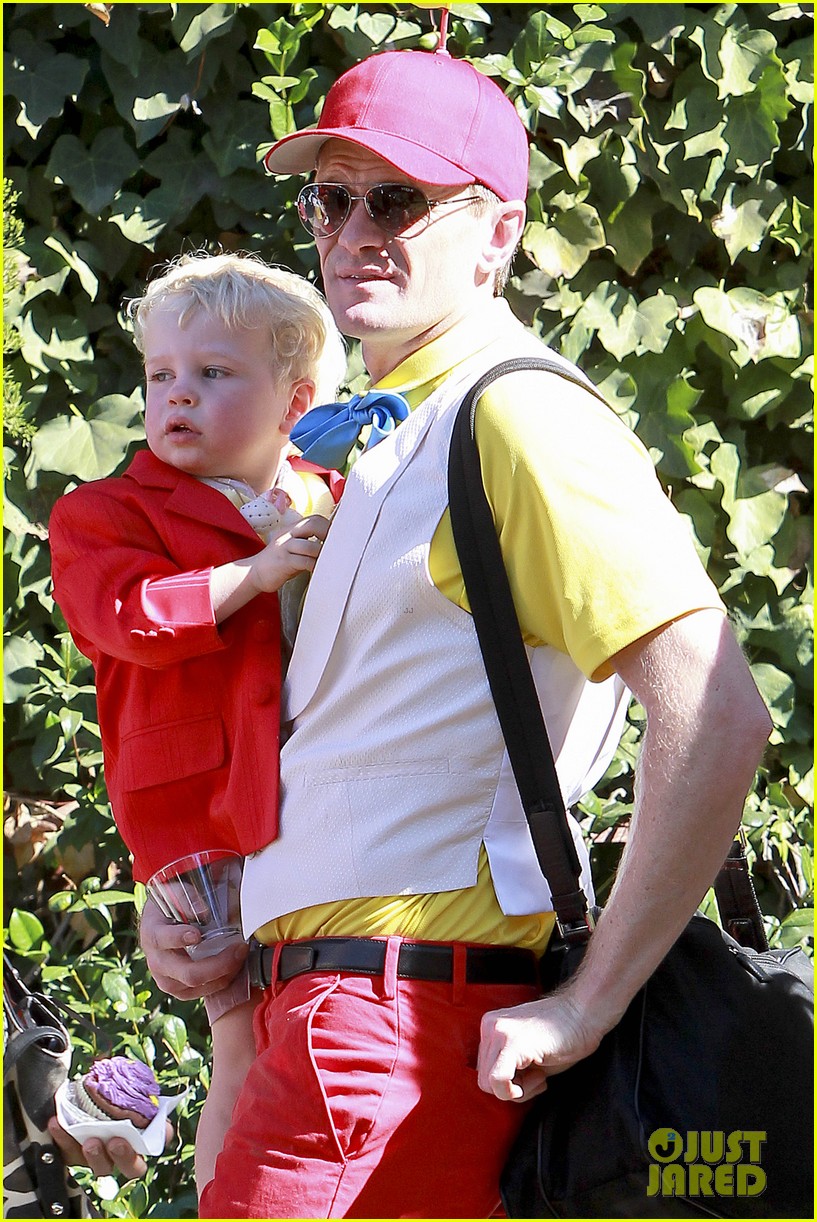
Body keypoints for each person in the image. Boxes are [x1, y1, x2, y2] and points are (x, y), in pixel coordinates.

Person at [139, 48, 772, 1219]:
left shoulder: (517, 414)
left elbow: (717, 708)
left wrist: (584, 1006)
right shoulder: (390, 439)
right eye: (333, 198)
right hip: (330, 1021)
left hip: (399, 1034)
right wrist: (235, 911)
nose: (356, 230)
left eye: (402, 199)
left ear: (497, 236)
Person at [47, 251, 346, 1193]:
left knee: (321, 1019)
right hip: (198, 810)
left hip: (315, 797)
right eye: (160, 375)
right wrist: (250, 577)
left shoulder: (333, 494)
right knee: (244, 1041)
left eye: (213, 374)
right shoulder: (105, 510)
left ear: (296, 401)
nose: (177, 395)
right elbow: (125, 613)